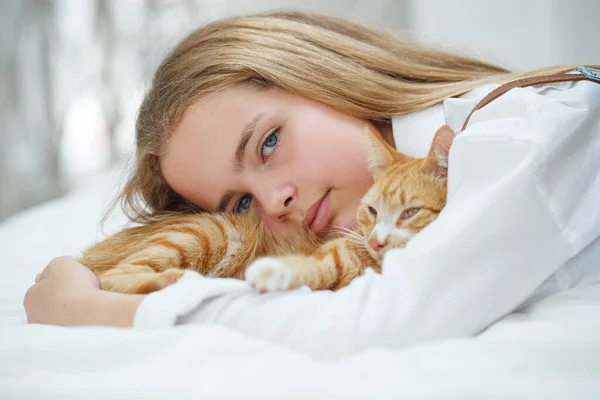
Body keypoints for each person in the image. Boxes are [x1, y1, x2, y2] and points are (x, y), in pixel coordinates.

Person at [24, 11, 600, 360]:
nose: (274, 203)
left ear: (324, 75)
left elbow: (379, 324)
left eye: (268, 143)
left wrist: (91, 310)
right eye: (242, 202)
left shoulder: (530, 131)